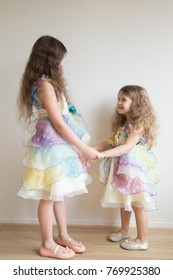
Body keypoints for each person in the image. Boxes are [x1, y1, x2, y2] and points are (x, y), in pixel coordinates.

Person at [17, 35, 102, 259]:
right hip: (52, 147)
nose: (62, 64)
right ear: (49, 59)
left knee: (58, 193)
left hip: (58, 145)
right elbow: (58, 123)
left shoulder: (48, 82)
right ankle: (46, 243)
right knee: (49, 196)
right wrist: (84, 149)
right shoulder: (44, 84)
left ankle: (63, 235)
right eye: (60, 59)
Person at [94, 85, 159, 250]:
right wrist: (94, 149)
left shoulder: (139, 124)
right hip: (123, 169)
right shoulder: (124, 124)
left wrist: (104, 154)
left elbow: (127, 147)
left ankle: (142, 240)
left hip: (134, 171)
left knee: (138, 204)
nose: (119, 102)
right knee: (125, 201)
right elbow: (112, 142)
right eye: (119, 99)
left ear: (137, 103)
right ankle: (124, 230)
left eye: (124, 99)